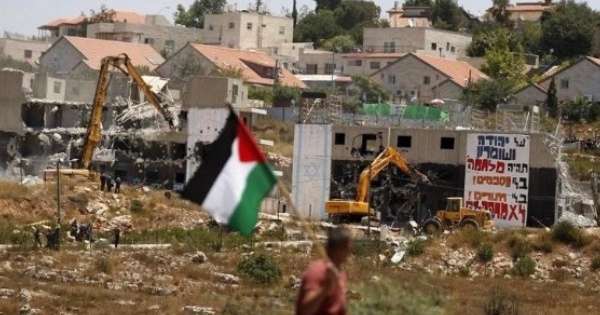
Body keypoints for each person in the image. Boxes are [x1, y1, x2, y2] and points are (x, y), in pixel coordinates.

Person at [296, 227, 352, 315]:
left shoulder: (341, 274)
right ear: (340, 248)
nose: (350, 251)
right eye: (348, 246)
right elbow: (305, 310)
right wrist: (326, 288)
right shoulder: (317, 271)